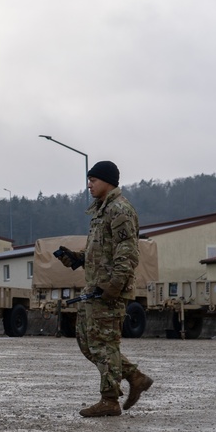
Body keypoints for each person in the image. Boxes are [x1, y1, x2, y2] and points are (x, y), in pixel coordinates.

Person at [56, 160, 153, 417]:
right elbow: (102, 251)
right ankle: (135, 377)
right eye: (89, 180)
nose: (89, 185)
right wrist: (77, 258)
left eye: (94, 180)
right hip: (95, 287)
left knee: (104, 344)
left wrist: (114, 285)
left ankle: (109, 400)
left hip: (108, 290)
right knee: (88, 343)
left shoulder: (120, 210)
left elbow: (128, 253)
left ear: (108, 181)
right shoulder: (102, 210)